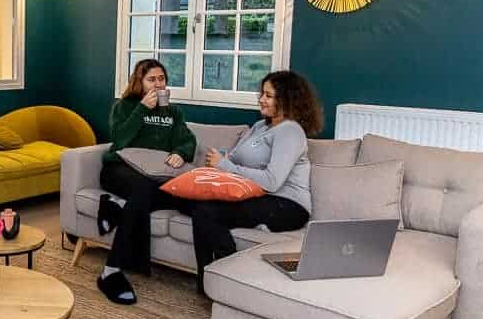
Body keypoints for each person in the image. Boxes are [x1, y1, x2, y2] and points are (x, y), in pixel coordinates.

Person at [191, 70, 323, 277]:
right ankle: (208, 279)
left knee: (207, 211)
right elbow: (234, 159)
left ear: (287, 100)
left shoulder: (290, 131)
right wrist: (219, 159)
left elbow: (272, 182)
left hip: (287, 205)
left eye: (268, 96)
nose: (261, 100)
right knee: (198, 204)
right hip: (257, 196)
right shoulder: (261, 126)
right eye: (262, 94)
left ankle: (226, 275)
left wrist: (225, 166)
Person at [96, 59, 196, 305]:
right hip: (119, 169)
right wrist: (141, 109)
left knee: (174, 193)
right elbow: (119, 140)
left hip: (152, 176)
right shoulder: (125, 106)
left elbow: (188, 140)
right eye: (152, 79)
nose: (158, 84)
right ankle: (111, 271)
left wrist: (180, 153)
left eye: (161, 79)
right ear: (139, 82)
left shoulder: (172, 112)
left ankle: (117, 206)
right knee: (143, 190)